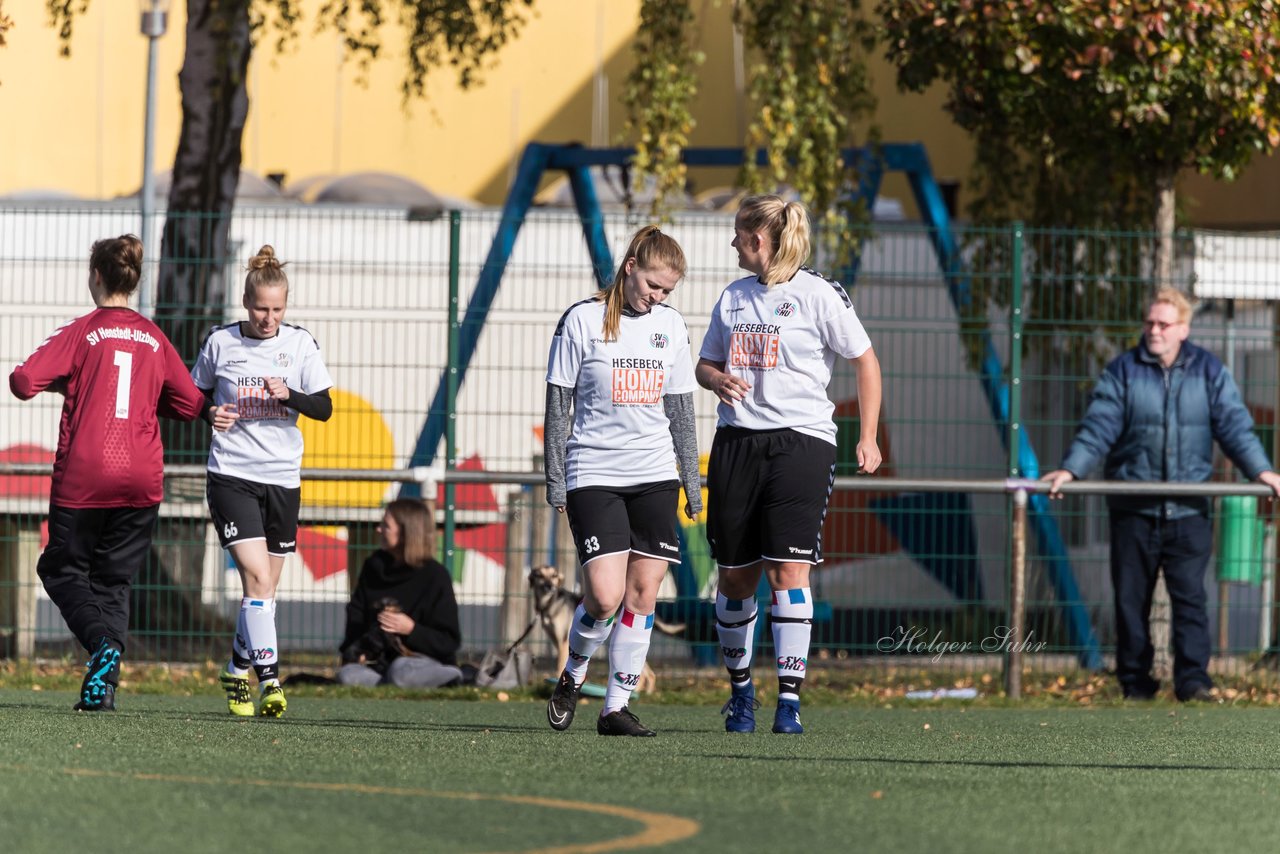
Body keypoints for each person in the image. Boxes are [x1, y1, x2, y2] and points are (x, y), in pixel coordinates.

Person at [696, 195, 882, 735]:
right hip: (736, 444)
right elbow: (706, 363)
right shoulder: (732, 297)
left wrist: (866, 436)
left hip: (802, 445)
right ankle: (741, 694)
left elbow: (865, 360)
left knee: (787, 572)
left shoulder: (818, 293)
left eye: (738, 234)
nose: (733, 243)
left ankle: (790, 702)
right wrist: (715, 379)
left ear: (760, 240)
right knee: (734, 577)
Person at [1043, 286, 1280, 702]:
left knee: (1190, 599)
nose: (1154, 330)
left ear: (1183, 330)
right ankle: (1135, 683)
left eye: (1163, 324)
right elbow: (1099, 427)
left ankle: (1194, 681)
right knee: (1131, 601)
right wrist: (1072, 468)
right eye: (1149, 322)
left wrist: (1262, 471)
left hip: (1188, 510)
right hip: (1134, 508)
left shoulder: (1209, 371)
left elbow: (1234, 428)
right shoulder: (1123, 371)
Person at [9, 235, 205, 712]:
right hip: (141, 477)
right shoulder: (154, 338)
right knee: (113, 581)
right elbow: (191, 403)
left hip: (87, 473)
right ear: (133, 281)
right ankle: (102, 688)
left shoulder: (83, 331)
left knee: (59, 568)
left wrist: (66, 381)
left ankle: (102, 644)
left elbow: (21, 381)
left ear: (95, 276)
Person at [542, 225, 701, 737]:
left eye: (667, 291)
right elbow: (559, 405)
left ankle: (616, 707)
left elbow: (680, 409)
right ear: (630, 267)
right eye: (653, 285)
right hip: (594, 473)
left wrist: (691, 481)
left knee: (643, 595)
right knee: (605, 599)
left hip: (655, 476)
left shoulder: (670, 326)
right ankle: (573, 673)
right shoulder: (582, 320)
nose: (658, 298)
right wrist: (556, 479)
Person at [192, 245, 335, 717]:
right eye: (260, 308)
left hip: (282, 478)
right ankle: (270, 680)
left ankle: (235, 670)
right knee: (255, 577)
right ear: (245, 302)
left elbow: (324, 408)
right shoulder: (221, 343)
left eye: (277, 309)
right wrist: (211, 411)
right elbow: (191, 400)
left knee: (264, 588)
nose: (268, 318)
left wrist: (290, 393)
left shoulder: (299, 344)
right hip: (232, 474)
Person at [337, 498, 463, 688]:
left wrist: (411, 629)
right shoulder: (373, 567)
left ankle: (450, 675)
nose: (378, 530)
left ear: (406, 533)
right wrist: (358, 651)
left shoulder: (436, 576)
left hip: (420, 661)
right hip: (380, 664)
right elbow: (356, 617)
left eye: (385, 526)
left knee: (401, 670)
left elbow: (448, 642)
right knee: (348, 675)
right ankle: (389, 683)